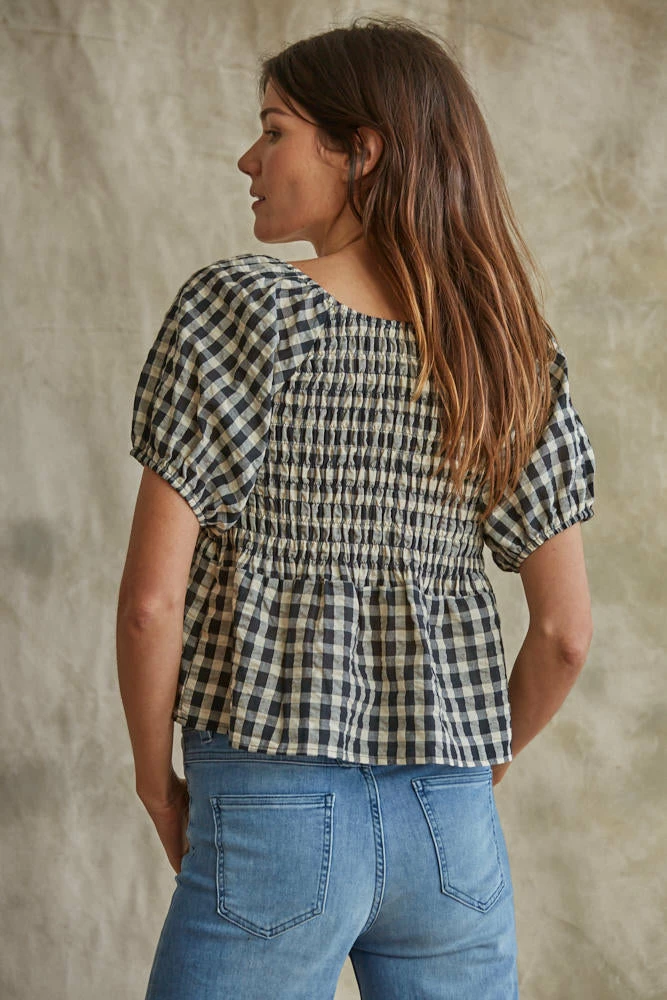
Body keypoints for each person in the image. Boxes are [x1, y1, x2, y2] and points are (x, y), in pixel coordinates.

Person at [116, 15, 596, 1000]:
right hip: (450, 823)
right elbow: (565, 634)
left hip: (272, 808)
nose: (248, 158)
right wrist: (470, 775)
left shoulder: (240, 313)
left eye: (274, 130)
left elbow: (150, 607)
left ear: (361, 150)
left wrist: (155, 784)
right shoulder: (503, 350)